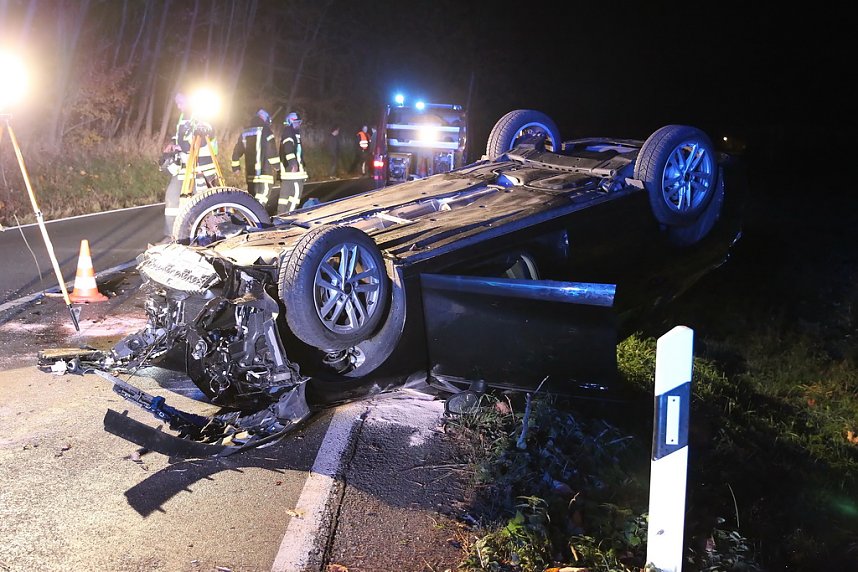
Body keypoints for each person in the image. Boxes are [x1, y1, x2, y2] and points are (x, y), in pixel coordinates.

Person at [161, 92, 219, 236]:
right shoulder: (183, 117)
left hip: (202, 168)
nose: (178, 106)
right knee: (172, 198)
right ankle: (172, 237)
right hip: (185, 166)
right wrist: (172, 145)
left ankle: (208, 234)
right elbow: (180, 137)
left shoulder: (203, 115)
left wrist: (182, 147)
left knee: (203, 202)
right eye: (177, 103)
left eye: (181, 102)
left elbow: (205, 135)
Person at [231, 109, 280, 214]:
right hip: (265, 174)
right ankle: (256, 222)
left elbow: (236, 152)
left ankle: (249, 219)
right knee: (261, 200)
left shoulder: (245, 132)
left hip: (250, 175)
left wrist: (236, 168)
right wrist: (277, 167)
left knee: (253, 200)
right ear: (265, 119)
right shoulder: (266, 131)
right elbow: (272, 151)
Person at [279, 111, 308, 212]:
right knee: (295, 195)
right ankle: (289, 215)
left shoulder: (290, 133)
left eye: (299, 122)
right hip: (292, 171)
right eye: (297, 122)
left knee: (285, 196)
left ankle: (281, 214)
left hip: (288, 170)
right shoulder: (289, 132)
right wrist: (293, 163)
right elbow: (288, 148)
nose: (299, 124)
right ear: (290, 122)